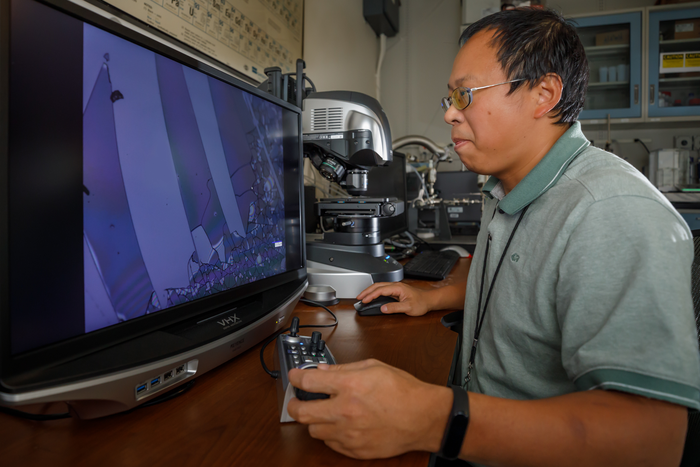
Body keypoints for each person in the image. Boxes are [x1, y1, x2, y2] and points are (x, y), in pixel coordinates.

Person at [287, 8, 700, 466]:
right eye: (449, 97)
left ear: (543, 94)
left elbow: (652, 439)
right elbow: (519, 275)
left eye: (463, 95)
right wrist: (433, 297)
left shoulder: (611, 211)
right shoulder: (506, 187)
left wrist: (430, 418)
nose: (449, 113)